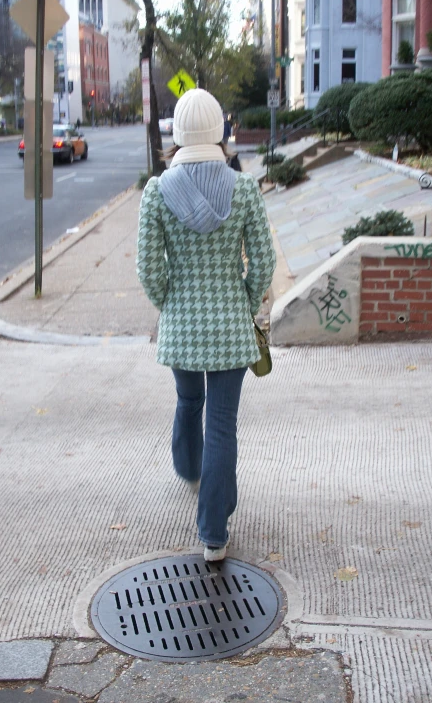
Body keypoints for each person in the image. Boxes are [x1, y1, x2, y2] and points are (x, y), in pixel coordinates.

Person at [136, 89, 276, 562]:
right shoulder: (244, 189)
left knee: (188, 399)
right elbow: (264, 260)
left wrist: (170, 305)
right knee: (221, 423)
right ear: (221, 132)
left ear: (175, 135)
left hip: (182, 327)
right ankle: (214, 534)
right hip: (230, 329)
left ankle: (189, 469)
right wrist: (244, 299)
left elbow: (149, 269)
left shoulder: (156, 192)